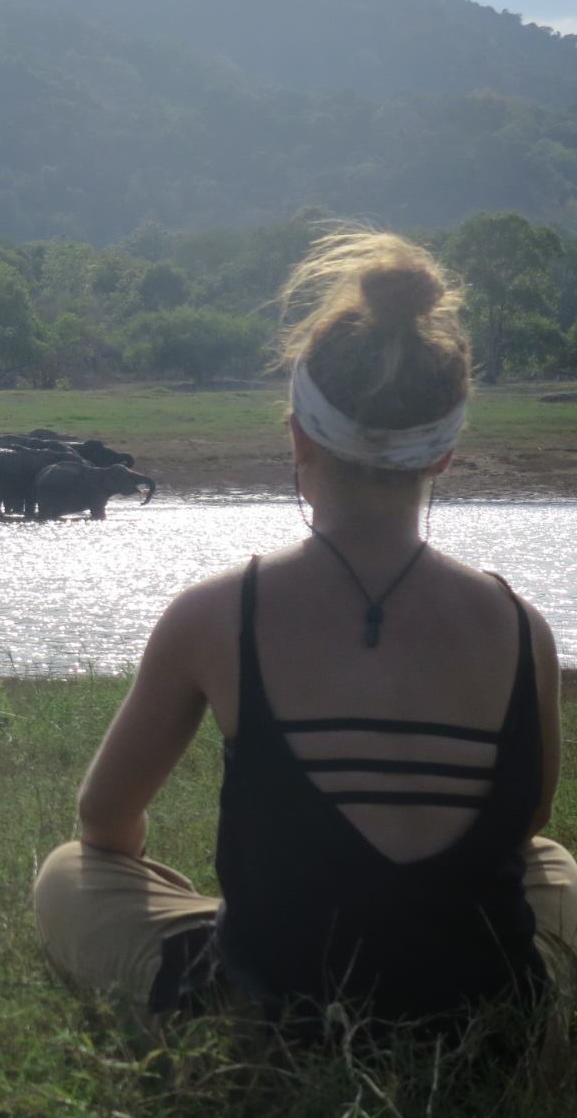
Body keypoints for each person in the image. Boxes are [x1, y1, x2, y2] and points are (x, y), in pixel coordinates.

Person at [32, 230, 576, 1027]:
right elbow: (521, 828)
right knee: (554, 864)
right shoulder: (522, 628)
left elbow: (103, 820)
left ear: (297, 435)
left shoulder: (216, 614)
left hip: (272, 1002)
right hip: (478, 1004)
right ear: (444, 457)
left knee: (68, 872)